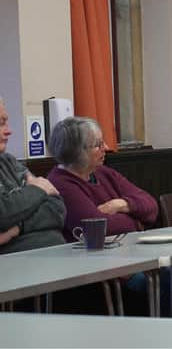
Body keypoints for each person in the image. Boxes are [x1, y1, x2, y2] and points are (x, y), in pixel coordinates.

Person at [47, 116, 160, 314]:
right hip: (99, 270)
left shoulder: (104, 173)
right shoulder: (61, 184)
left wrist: (121, 204)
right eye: (97, 145)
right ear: (77, 152)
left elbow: (151, 206)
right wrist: (135, 219)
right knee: (168, 282)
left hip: (129, 258)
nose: (106, 147)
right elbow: (98, 228)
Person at [0, 97, 65, 254]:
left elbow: (57, 208)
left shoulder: (9, 161)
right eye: (1, 123)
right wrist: (37, 189)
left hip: (56, 258)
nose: (9, 130)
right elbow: (2, 215)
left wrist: (16, 228)